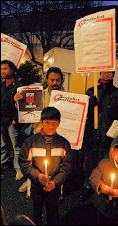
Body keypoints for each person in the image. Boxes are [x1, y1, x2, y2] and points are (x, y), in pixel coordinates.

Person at [14, 67, 65, 197]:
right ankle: (31, 187)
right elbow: (25, 108)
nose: (55, 82)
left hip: (58, 137)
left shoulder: (68, 97)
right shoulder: (39, 93)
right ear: (46, 80)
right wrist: (18, 101)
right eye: (52, 79)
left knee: (57, 165)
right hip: (39, 135)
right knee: (36, 164)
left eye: (57, 80)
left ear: (62, 80)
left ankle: (56, 190)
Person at [18, 107, 72, 225]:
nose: (51, 126)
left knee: (53, 212)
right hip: (37, 185)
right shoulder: (30, 142)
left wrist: (55, 182)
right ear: (41, 122)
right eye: (47, 122)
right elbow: (24, 162)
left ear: (58, 123)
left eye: (54, 123)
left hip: (54, 187)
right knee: (36, 212)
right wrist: (37, 175)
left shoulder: (64, 143)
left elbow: (66, 167)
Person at [80, 71, 118, 201]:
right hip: (92, 137)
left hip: (108, 139)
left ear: (113, 74)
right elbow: (84, 115)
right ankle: (87, 186)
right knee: (90, 164)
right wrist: (91, 106)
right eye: (104, 72)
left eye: (109, 72)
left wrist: (115, 135)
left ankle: (105, 188)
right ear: (100, 73)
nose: (106, 75)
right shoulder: (91, 92)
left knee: (106, 165)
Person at [1, 60, 23, 180]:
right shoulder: (2, 85)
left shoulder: (19, 87)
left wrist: (15, 119)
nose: (2, 71)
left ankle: (18, 169)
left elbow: (22, 106)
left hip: (11, 121)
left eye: (5, 69)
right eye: (1, 69)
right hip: (2, 120)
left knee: (16, 146)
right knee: (3, 144)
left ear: (12, 70)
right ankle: (3, 163)